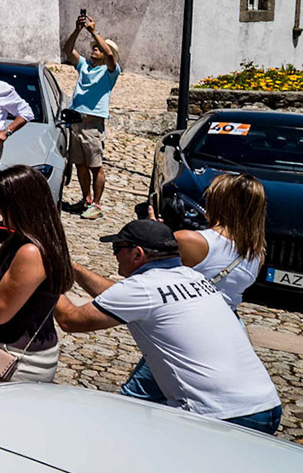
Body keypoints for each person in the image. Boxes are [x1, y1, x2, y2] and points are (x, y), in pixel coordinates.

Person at [56, 219, 282, 432]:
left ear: (137, 254)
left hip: (221, 413)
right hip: (266, 404)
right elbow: (118, 297)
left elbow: (70, 319)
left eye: (117, 249)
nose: (115, 256)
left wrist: (44, 272)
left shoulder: (142, 288)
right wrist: (72, 267)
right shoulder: (194, 277)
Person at [0, 164, 71, 383]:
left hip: (19, 364)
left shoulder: (31, 252)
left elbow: (0, 311)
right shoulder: (30, 239)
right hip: (10, 354)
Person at [166, 171, 266, 308]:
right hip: (227, 323)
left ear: (215, 202)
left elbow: (149, 277)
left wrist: (152, 233)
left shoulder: (189, 240)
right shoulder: (257, 256)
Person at [62, 13, 121, 218]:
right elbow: (68, 51)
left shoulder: (110, 71)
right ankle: (86, 198)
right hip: (76, 122)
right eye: (93, 47)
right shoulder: (84, 66)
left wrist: (94, 32)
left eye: (97, 48)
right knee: (80, 164)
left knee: (96, 166)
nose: (93, 49)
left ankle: (96, 204)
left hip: (93, 125)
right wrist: (78, 30)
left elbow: (111, 57)